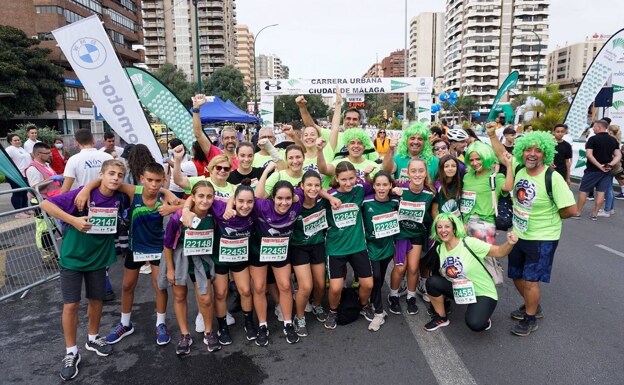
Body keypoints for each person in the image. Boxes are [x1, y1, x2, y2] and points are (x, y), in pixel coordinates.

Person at [40, 159, 126, 381]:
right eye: (111, 174)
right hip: (73, 258)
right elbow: (45, 205)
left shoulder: (119, 197)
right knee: (71, 304)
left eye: (120, 175)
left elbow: (143, 188)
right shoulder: (81, 194)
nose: (115, 178)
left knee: (97, 299)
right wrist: (74, 220)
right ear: (101, 174)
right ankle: (71, 352)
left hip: (98, 258)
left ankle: (93, 337)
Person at [488, 129, 577, 336]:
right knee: (518, 276)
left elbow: (571, 210)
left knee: (531, 280)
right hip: (519, 234)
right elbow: (502, 155)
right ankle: (533, 305)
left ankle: (530, 317)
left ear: (545, 154)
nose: (532, 154)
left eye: (538, 150)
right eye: (528, 149)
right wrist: (492, 135)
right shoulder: (518, 168)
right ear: (522, 151)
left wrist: (550, 216)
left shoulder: (552, 177)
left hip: (543, 237)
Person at [74, 163, 172, 347]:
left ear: (163, 181)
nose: (153, 185)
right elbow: (106, 181)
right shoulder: (134, 191)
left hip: (157, 247)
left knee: (159, 285)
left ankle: (161, 323)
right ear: (142, 178)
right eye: (149, 180)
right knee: (127, 286)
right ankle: (125, 324)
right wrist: (86, 188)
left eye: (158, 181)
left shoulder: (164, 195)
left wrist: (170, 201)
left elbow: (186, 204)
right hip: (135, 247)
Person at [423, 213, 518, 332]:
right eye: (439, 227)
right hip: (462, 290)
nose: (443, 230)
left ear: (454, 228)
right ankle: (441, 317)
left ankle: (483, 315)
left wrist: (510, 243)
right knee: (432, 282)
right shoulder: (440, 248)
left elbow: (499, 251)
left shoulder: (469, 243)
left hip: (482, 291)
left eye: (447, 226)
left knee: (475, 323)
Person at [162, 180, 221, 354]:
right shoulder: (178, 216)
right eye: (201, 196)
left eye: (209, 196)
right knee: (180, 296)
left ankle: (209, 331)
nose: (205, 200)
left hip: (201, 258)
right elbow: (167, 244)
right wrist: (171, 269)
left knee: (205, 297)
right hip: (179, 258)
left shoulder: (214, 213)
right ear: (193, 197)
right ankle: (185, 334)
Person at [247, 172, 303, 345]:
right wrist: (266, 171)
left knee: (286, 286)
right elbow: (255, 194)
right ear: (272, 198)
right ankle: (263, 325)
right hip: (258, 250)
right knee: (259, 287)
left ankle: (288, 323)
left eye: (288, 198)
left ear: (293, 197)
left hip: (281, 250)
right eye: (279, 198)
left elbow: (311, 187)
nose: (284, 202)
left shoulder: (297, 202)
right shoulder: (262, 205)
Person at [323, 161, 375, 330]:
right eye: (343, 179)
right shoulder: (329, 194)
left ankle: (363, 305)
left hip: (358, 246)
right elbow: (311, 190)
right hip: (335, 248)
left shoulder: (360, 189)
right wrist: (330, 197)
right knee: (336, 287)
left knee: (368, 284)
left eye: (351, 178)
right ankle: (333, 310)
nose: (348, 183)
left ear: (356, 177)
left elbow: (376, 186)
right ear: (336, 178)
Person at [387, 158, 438, 316]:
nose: (417, 174)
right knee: (400, 267)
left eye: (420, 171)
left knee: (414, 267)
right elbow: (382, 188)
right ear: (407, 173)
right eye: (413, 171)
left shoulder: (430, 192)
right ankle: (393, 295)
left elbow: (434, 213)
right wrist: (392, 189)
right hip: (400, 234)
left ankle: (411, 297)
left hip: (417, 234)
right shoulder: (399, 186)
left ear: (426, 173)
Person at [289, 170, 330, 336]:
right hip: (298, 247)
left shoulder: (322, 201)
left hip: (318, 245)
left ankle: (317, 304)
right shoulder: (295, 203)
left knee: (320, 285)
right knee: (306, 286)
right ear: (301, 186)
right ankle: (299, 318)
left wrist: (331, 197)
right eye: (309, 185)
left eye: (316, 185)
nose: (313, 189)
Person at [362, 171, 399, 331]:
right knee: (375, 276)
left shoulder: (396, 201)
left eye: (385, 185)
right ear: (374, 186)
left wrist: (401, 189)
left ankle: (374, 301)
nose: (382, 188)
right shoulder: (365, 202)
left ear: (391, 186)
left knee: (380, 276)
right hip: (371, 246)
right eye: (378, 185)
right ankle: (378, 312)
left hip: (388, 247)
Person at [461, 138, 513, 245]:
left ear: (486, 157)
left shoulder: (494, 177)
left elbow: (508, 187)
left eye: (478, 159)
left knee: (483, 259)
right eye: (471, 160)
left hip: (484, 224)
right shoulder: (467, 177)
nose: (475, 163)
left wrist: (509, 166)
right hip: (465, 223)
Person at [575, 120, 621, 220]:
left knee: (583, 191)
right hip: (607, 171)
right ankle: (595, 214)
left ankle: (578, 212)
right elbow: (618, 155)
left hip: (592, 170)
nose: (593, 129)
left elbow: (589, 155)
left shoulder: (592, 139)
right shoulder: (613, 140)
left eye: (594, 127)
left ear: (599, 127)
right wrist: (610, 164)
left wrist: (599, 165)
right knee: (601, 192)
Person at [5, 133, 33, 217]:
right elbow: (6, 161)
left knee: (24, 192)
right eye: (15, 140)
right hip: (15, 175)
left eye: (18, 140)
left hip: (24, 174)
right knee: (18, 193)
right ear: (10, 141)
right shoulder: (10, 149)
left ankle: (25, 209)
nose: (17, 141)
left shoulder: (21, 148)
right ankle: (19, 212)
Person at [598, 124, 622, 217]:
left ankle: (607, 210)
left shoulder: (611, 140)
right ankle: (610, 208)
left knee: (608, 188)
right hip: (615, 166)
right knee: (610, 188)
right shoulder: (616, 140)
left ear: (610, 131)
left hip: (610, 165)